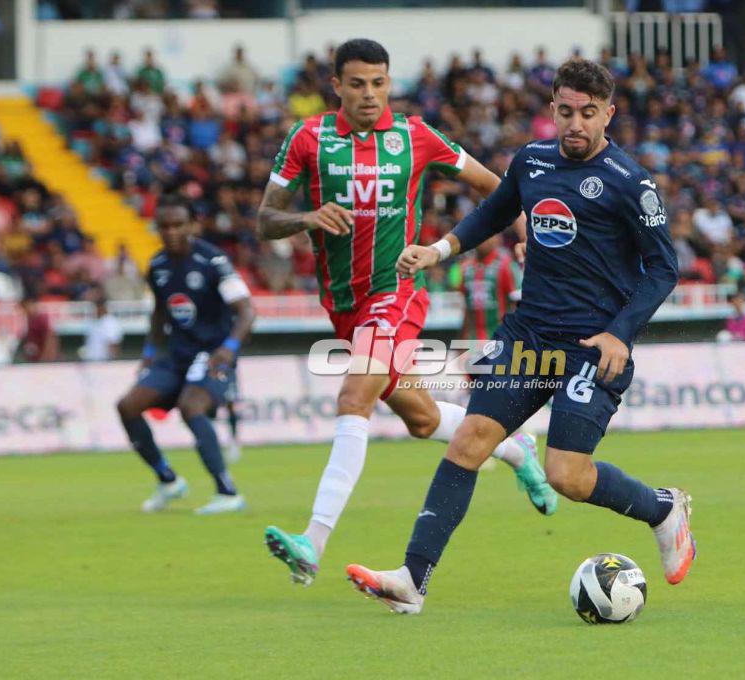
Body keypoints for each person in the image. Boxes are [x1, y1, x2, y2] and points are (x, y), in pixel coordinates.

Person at [345, 59, 694, 614]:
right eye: (565, 111)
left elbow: (664, 269)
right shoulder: (531, 161)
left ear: (608, 114)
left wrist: (621, 334)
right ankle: (412, 581)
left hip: (591, 349)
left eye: (587, 113)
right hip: (528, 336)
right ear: (551, 109)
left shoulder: (631, 182)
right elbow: (493, 213)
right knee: (470, 439)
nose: (575, 124)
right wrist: (438, 251)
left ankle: (662, 508)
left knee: (566, 476)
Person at [255, 38, 556, 586]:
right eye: (357, 84)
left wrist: (526, 233)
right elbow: (266, 219)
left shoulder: (415, 136)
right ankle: (515, 450)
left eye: (379, 82)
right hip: (344, 306)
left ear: (389, 83)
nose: (369, 94)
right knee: (420, 419)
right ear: (337, 87)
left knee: (353, 397)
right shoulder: (308, 138)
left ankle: (312, 542)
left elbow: (499, 187)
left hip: (396, 293)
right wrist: (308, 218)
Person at [115, 194, 256, 515]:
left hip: (212, 355)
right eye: (164, 226)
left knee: (191, 406)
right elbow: (159, 313)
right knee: (127, 406)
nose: (171, 231)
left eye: (178, 224)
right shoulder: (158, 265)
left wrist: (228, 348)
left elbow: (246, 311)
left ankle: (227, 492)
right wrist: (150, 352)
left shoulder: (213, 262)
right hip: (176, 356)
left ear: (192, 225)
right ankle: (168, 480)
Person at [457, 235, 521, 343]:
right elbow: (466, 307)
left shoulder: (506, 265)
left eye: (489, 236)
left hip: (500, 338)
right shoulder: (465, 268)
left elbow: (516, 305)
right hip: (473, 339)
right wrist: (462, 340)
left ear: (497, 240)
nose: (484, 240)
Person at [80, 296, 123, 361]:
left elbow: (114, 344)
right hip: (90, 361)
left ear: (101, 307)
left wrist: (113, 363)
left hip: (104, 363)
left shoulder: (110, 322)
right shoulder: (92, 321)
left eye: (96, 306)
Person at [16, 296, 59, 363]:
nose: (24, 311)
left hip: (44, 358)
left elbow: (50, 339)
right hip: (34, 357)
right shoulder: (29, 319)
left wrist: (46, 357)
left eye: (24, 308)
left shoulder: (42, 319)